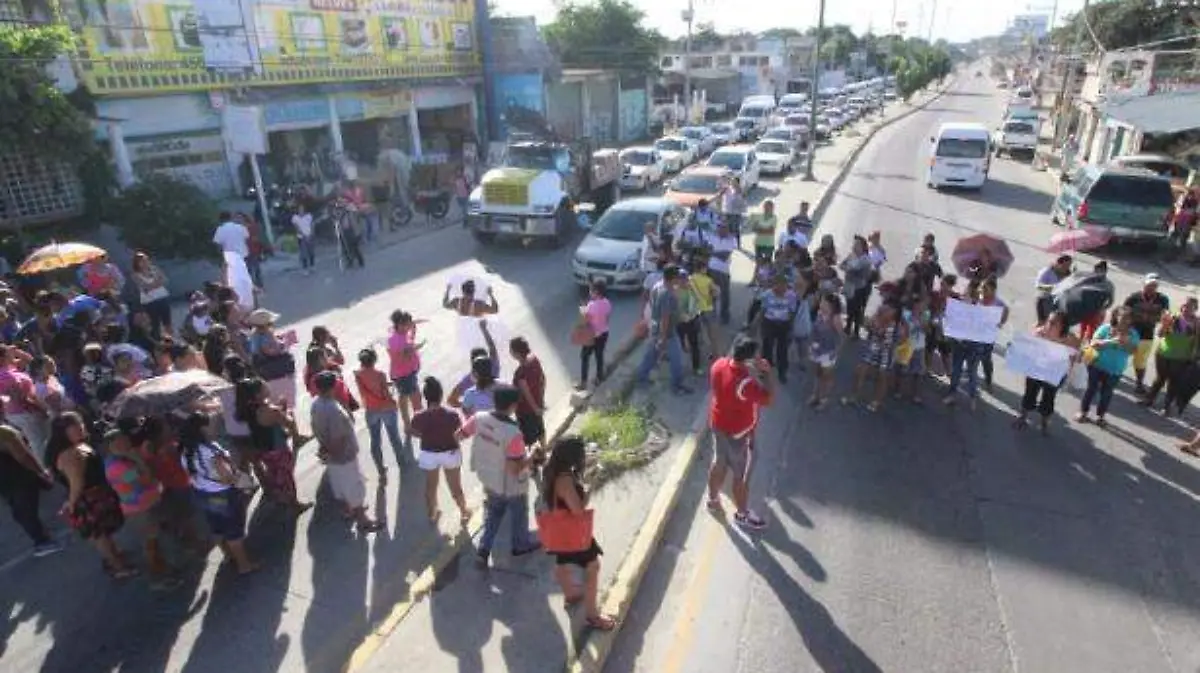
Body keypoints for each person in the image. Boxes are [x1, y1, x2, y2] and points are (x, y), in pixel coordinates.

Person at [46, 412, 137, 578]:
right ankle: (118, 567)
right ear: (64, 432)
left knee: (104, 532)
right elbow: (77, 484)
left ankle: (115, 555)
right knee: (99, 535)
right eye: (76, 426)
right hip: (89, 500)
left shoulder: (78, 446)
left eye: (80, 423)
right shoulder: (70, 454)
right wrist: (71, 504)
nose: (81, 427)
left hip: (96, 496)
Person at [458, 385, 542, 565]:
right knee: (519, 513)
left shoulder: (478, 418)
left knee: (493, 513)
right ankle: (520, 545)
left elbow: (459, 435)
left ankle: (483, 549)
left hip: (487, 477)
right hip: (510, 485)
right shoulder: (513, 433)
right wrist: (533, 454)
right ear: (512, 406)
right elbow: (515, 468)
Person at [542, 435, 617, 630]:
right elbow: (578, 511)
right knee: (592, 567)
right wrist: (590, 488)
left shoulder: (551, 470)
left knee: (563, 563)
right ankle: (593, 616)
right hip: (573, 532)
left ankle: (571, 596)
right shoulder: (565, 480)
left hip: (558, 530)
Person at [707, 336, 775, 530]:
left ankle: (712, 499)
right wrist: (766, 373)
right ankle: (742, 514)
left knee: (718, 462)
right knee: (740, 475)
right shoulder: (745, 384)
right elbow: (769, 399)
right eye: (756, 356)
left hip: (718, 424)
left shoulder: (718, 365)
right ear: (748, 361)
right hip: (737, 435)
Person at [178, 411, 259, 574]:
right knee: (233, 528)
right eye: (209, 423)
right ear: (202, 429)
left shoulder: (185, 452)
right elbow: (227, 478)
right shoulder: (211, 451)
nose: (213, 425)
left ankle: (228, 555)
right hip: (223, 494)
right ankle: (244, 565)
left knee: (217, 527)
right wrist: (243, 482)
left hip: (202, 494)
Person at [311, 372, 383, 532]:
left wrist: (325, 452)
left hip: (331, 455)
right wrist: (333, 453)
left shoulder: (316, 403)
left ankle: (348, 510)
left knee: (341, 486)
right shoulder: (333, 410)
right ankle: (363, 521)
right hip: (343, 455)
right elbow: (338, 438)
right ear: (332, 387)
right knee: (354, 487)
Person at [236, 377, 312, 514]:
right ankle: (294, 504)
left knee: (274, 472)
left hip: (263, 450)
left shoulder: (246, 411)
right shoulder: (271, 410)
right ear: (258, 394)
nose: (268, 387)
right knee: (287, 477)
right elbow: (288, 423)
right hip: (278, 448)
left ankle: (280, 497)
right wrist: (285, 410)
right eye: (264, 386)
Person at [410, 377, 470, 523]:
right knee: (455, 487)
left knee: (431, 487)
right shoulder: (452, 415)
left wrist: (425, 436)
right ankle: (463, 512)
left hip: (429, 454)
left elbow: (412, 431)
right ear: (441, 395)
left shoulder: (419, 417)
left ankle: (432, 514)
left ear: (425, 397)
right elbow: (459, 434)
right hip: (450, 453)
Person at [0, 417, 61, 557]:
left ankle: (42, 536)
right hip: (18, 476)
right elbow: (23, 456)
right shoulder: (4, 432)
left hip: (5, 483)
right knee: (27, 510)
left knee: (20, 510)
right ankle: (43, 542)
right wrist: (41, 472)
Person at [1014, 311, 1080, 434]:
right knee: (1029, 394)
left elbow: (1076, 354)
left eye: (1053, 323)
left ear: (1062, 326)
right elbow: (1026, 348)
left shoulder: (1070, 339)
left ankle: (1044, 422)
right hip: (1035, 372)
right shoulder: (1039, 333)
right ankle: (1023, 417)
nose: (1048, 324)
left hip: (1053, 376)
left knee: (1048, 399)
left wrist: (1074, 359)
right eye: (1049, 321)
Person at [1077, 306, 1140, 426]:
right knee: (1091, 389)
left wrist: (1125, 343)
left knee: (1107, 393)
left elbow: (1133, 351)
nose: (1126, 321)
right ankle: (1083, 412)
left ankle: (1100, 416)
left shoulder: (1133, 334)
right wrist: (1111, 341)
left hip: (1115, 370)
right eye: (1123, 317)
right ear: (1116, 317)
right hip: (1097, 365)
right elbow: (1094, 343)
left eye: (1129, 318)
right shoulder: (1106, 328)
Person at [635, 265, 691, 395]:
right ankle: (676, 386)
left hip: (655, 327)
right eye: (677, 277)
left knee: (651, 355)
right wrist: (664, 337)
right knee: (676, 359)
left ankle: (641, 378)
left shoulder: (658, 285)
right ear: (673, 278)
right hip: (667, 331)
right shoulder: (667, 293)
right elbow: (665, 317)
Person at [355, 348, 406, 482]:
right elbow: (385, 394)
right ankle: (402, 462)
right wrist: (392, 401)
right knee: (394, 436)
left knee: (375, 440)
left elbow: (366, 391)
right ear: (374, 360)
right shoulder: (380, 374)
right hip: (386, 409)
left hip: (371, 410)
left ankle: (381, 470)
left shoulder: (358, 375)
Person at [1141, 297, 1199, 415]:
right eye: (1185, 305)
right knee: (1159, 379)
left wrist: (1194, 355)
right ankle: (1149, 399)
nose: (1186, 308)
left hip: (1181, 357)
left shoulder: (1197, 323)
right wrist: (1165, 324)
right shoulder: (1173, 317)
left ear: (1195, 309)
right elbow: (1160, 334)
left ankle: (1166, 407)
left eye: (1190, 307)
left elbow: (1197, 341)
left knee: (1173, 382)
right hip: (1163, 353)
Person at [844, 301, 905, 412]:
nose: (887, 310)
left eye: (890, 309)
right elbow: (867, 326)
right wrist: (873, 324)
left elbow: (903, 338)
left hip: (887, 352)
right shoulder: (877, 317)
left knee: (881, 377)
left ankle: (876, 401)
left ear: (895, 312)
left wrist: (893, 344)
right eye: (886, 308)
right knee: (860, 371)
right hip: (873, 347)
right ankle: (853, 396)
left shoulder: (897, 325)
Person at [1123, 274, 1170, 394]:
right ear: (1144, 284)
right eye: (1149, 285)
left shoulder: (1163, 299)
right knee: (1121, 356)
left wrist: (1164, 323)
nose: (1151, 288)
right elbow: (1122, 313)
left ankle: (1139, 384)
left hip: (1147, 336)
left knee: (1140, 362)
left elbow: (1165, 315)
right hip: (1130, 333)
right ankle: (1112, 376)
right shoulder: (1134, 297)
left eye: (1154, 285)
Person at [387, 310, 426, 439]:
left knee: (403, 398)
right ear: (400, 325)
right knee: (416, 400)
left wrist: (413, 328)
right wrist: (416, 348)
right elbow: (402, 356)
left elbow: (409, 339)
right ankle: (420, 426)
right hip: (404, 375)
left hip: (405, 373)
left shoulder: (400, 333)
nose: (410, 326)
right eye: (408, 324)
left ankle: (408, 426)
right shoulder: (395, 340)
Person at [510, 336, 547, 454]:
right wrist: (541, 401)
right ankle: (544, 452)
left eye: (511, 350)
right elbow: (543, 380)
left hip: (525, 410)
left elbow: (526, 392)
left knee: (529, 440)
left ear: (516, 353)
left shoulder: (520, 372)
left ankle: (534, 464)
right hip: (538, 404)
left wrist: (534, 408)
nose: (510, 353)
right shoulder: (534, 359)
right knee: (540, 430)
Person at [758, 272, 798, 382]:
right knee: (767, 348)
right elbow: (763, 310)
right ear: (773, 285)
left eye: (783, 286)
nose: (780, 289)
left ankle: (782, 372)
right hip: (769, 323)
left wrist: (791, 327)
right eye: (777, 286)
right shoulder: (767, 295)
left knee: (782, 349)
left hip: (783, 325)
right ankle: (765, 370)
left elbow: (792, 312)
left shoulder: (791, 296)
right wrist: (761, 326)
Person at [579, 280, 612, 390]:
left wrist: (583, 311)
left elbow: (586, 321)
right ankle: (599, 377)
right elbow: (607, 318)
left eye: (591, 290)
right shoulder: (607, 302)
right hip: (604, 333)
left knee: (584, 357)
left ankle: (583, 383)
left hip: (592, 335)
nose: (589, 292)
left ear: (596, 292)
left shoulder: (591, 305)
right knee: (599, 356)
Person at [840, 236, 874, 339]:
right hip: (850, 286)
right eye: (854, 244)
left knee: (858, 310)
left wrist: (847, 267)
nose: (854, 246)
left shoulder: (865, 259)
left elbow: (853, 268)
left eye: (857, 244)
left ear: (863, 247)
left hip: (860, 288)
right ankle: (848, 326)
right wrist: (847, 267)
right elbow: (842, 265)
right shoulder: (851, 255)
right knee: (850, 307)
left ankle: (856, 331)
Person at [130, 252, 172, 336]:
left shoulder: (155, 269)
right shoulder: (135, 275)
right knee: (155, 324)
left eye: (146, 260)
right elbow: (145, 287)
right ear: (137, 263)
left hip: (162, 298)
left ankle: (171, 340)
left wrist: (153, 285)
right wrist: (157, 283)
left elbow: (165, 280)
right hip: (150, 302)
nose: (145, 262)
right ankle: (158, 341)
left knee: (167, 322)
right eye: (142, 261)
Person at [707, 221, 738, 325]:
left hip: (723, 271)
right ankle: (712, 314)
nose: (722, 229)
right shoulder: (712, 237)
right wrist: (715, 253)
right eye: (720, 227)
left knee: (725, 294)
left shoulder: (732, 240)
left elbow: (725, 256)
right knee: (711, 293)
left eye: (724, 228)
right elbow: (707, 251)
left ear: (728, 229)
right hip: (711, 269)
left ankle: (725, 316)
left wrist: (713, 253)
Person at [1035, 255, 1073, 323]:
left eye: (1069, 265)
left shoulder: (1068, 275)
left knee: (1054, 326)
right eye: (1065, 265)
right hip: (1044, 300)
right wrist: (1053, 288)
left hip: (1059, 304)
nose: (1066, 268)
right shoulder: (1047, 271)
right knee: (1042, 323)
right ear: (1058, 263)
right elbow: (1038, 286)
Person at [748, 199, 778, 279]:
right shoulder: (759, 216)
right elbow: (753, 228)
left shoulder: (774, 217)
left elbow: (771, 231)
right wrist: (763, 230)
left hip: (769, 244)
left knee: (768, 263)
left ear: (772, 208)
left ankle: (768, 279)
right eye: (765, 206)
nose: (766, 208)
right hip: (758, 243)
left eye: (769, 206)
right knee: (758, 263)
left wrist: (760, 229)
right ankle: (755, 279)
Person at [292, 203, 316, 272]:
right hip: (301, 237)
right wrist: (304, 236)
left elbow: (312, 225)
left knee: (311, 252)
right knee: (304, 253)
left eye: (302, 209)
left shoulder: (309, 216)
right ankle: (305, 268)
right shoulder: (295, 218)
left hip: (310, 236)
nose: (301, 210)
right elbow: (297, 228)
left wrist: (311, 234)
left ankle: (312, 266)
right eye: (300, 209)